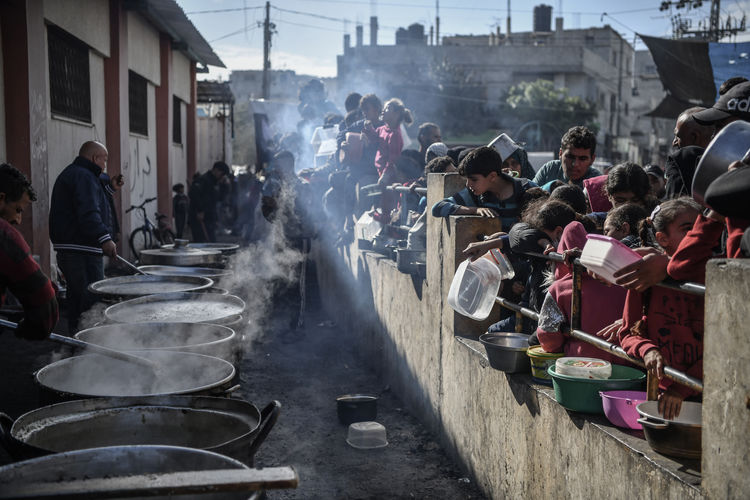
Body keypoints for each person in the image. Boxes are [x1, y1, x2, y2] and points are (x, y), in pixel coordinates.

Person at [618, 198, 704, 420]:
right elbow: (627, 333)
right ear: (662, 239)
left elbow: (722, 348)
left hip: (707, 389)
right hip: (662, 390)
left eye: (701, 228)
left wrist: (682, 389)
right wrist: (648, 350)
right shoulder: (647, 277)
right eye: (688, 230)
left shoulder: (714, 275)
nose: (698, 237)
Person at [536, 221, 627, 363]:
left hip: (581, 365)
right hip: (628, 364)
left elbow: (548, 339)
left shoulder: (559, 289)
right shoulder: (621, 280)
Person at [49, 141, 116, 332]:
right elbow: (88, 212)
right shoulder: (83, 176)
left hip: (74, 248)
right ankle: (86, 344)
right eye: (104, 159)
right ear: (95, 158)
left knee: (78, 298)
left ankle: (76, 341)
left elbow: (94, 198)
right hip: (80, 249)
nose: (105, 164)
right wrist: (105, 238)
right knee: (90, 300)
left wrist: (110, 188)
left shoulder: (77, 173)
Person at [0, 164, 58, 340]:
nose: (17, 220)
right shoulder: (4, 236)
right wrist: (35, 327)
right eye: (18, 210)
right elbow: (43, 297)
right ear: (1, 198)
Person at [431, 146, 535, 230]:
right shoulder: (475, 195)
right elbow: (438, 208)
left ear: (492, 176)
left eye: (474, 179)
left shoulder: (527, 188)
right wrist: (475, 210)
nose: (468, 185)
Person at [665, 107, 714, 198]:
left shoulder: (679, 164)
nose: (674, 143)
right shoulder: (727, 171)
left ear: (694, 137)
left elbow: (672, 208)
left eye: (678, 136)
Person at [532, 126, 601, 188]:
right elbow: (530, 196)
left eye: (582, 159)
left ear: (592, 159)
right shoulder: (549, 170)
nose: (575, 164)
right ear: (560, 154)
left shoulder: (598, 183)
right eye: (570, 157)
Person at [188, 161, 230, 243]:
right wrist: (200, 210)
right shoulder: (203, 180)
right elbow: (193, 193)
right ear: (216, 170)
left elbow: (219, 199)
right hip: (200, 218)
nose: (222, 177)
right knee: (201, 243)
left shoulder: (215, 183)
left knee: (211, 242)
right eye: (222, 174)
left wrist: (225, 186)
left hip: (209, 218)